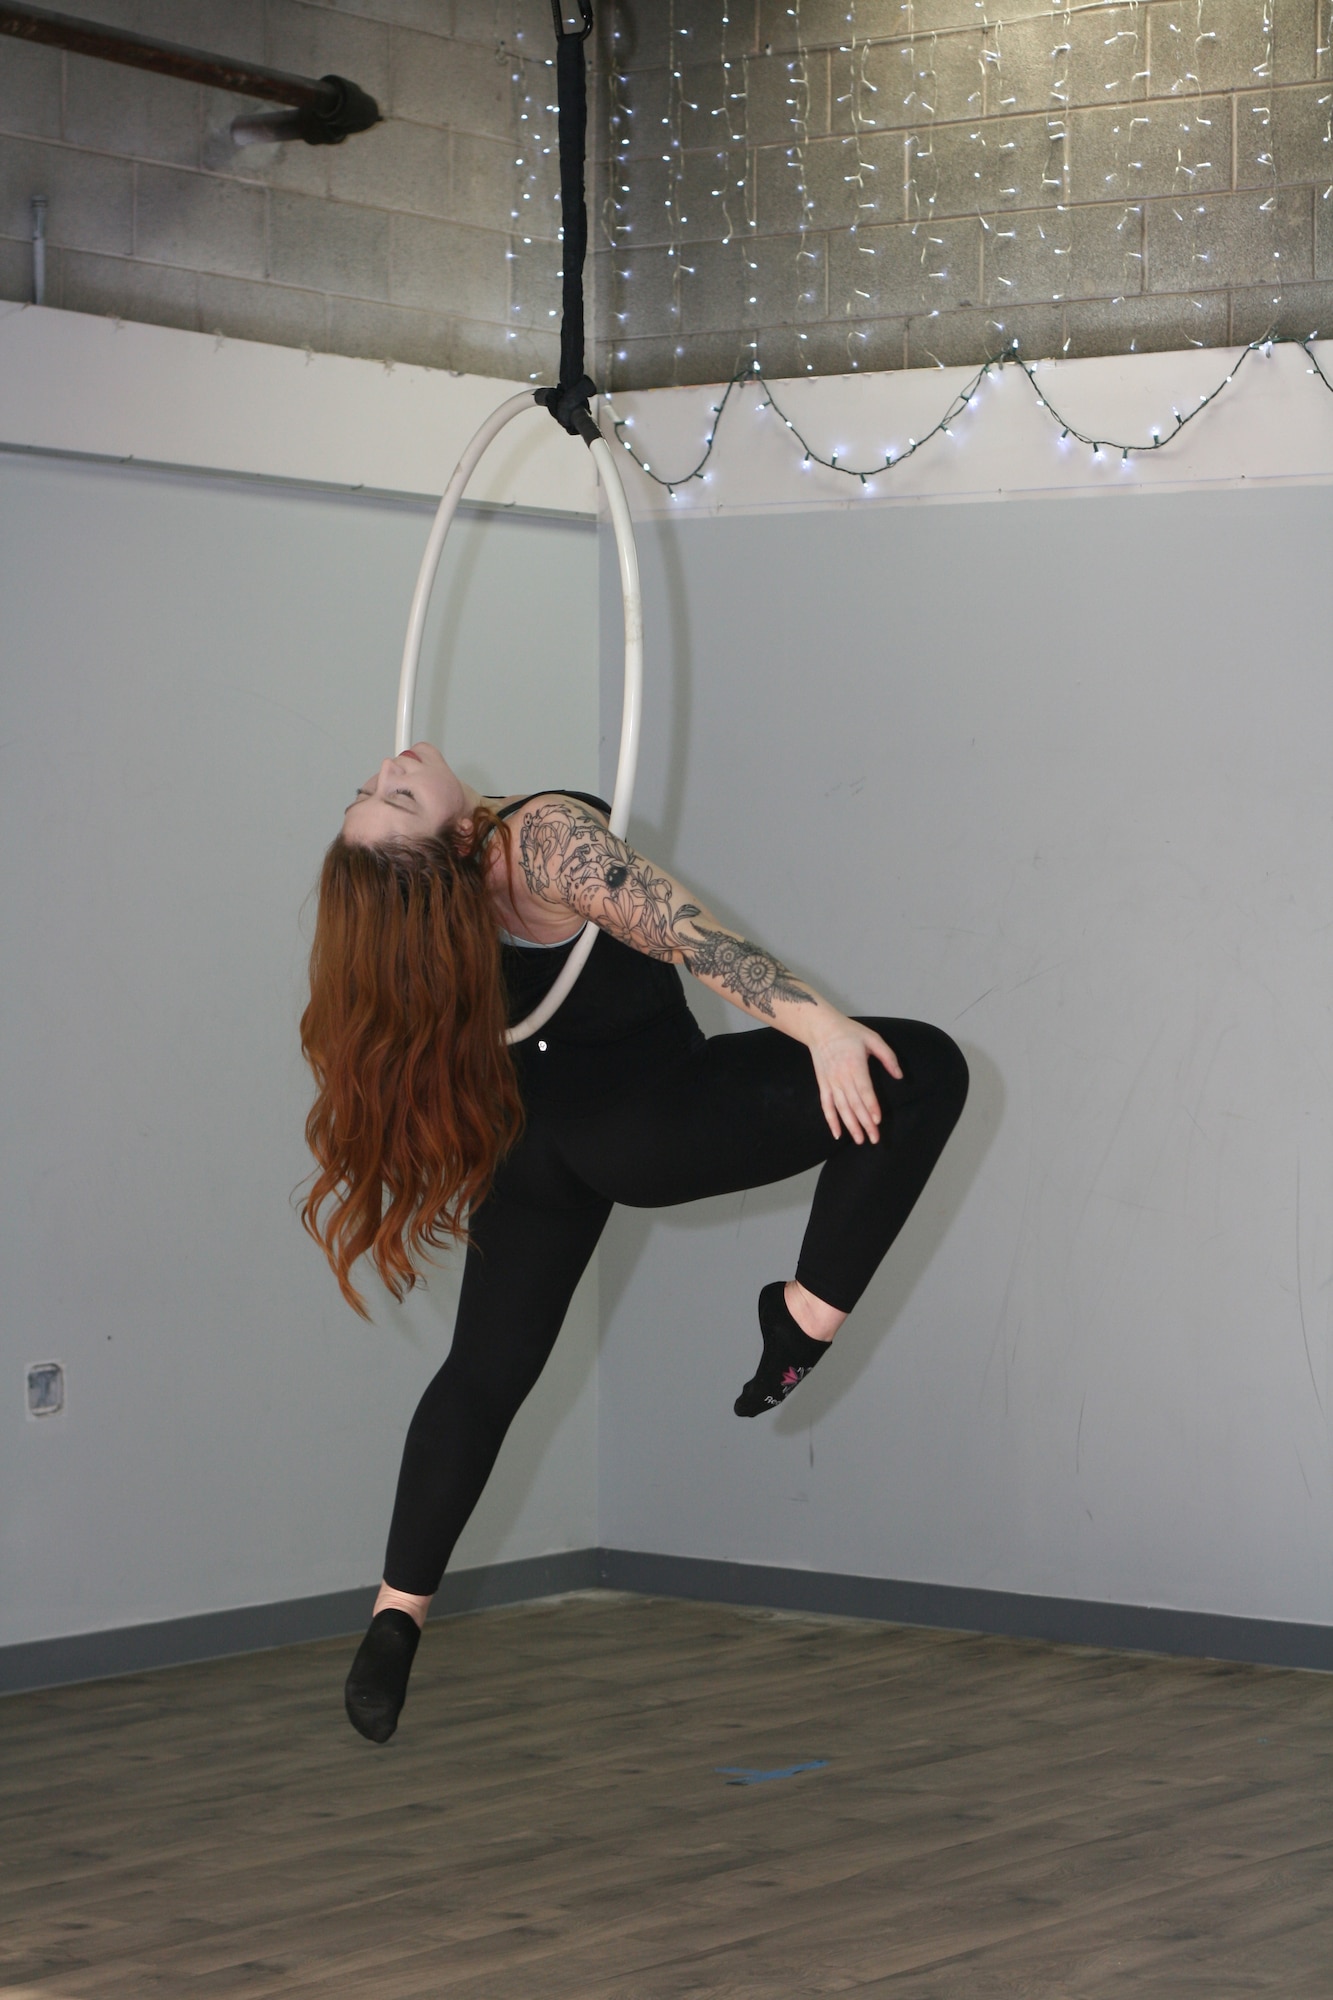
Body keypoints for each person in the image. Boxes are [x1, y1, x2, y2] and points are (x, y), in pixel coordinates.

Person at [301, 742, 968, 1743]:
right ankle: (803, 1315)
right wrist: (822, 1027)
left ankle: (397, 1614)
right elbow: (692, 940)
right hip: (644, 1124)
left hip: (528, 1145)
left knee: (483, 1375)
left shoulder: (428, 904)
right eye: (392, 794)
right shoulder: (543, 846)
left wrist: (392, 812)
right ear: (445, 844)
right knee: (919, 1066)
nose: (387, 764)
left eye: (370, 787)